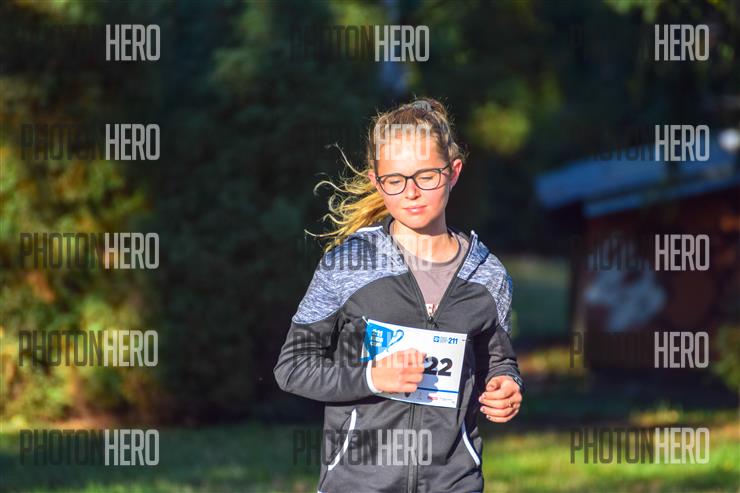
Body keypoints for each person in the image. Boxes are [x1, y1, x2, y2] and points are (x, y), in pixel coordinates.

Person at [274, 98, 523, 493]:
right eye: (395, 180)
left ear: (453, 172)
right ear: (377, 182)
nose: (411, 192)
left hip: (453, 483)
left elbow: (497, 360)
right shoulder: (348, 264)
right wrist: (372, 377)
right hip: (358, 484)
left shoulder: (487, 276)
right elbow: (292, 367)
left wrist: (506, 384)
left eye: (426, 176)